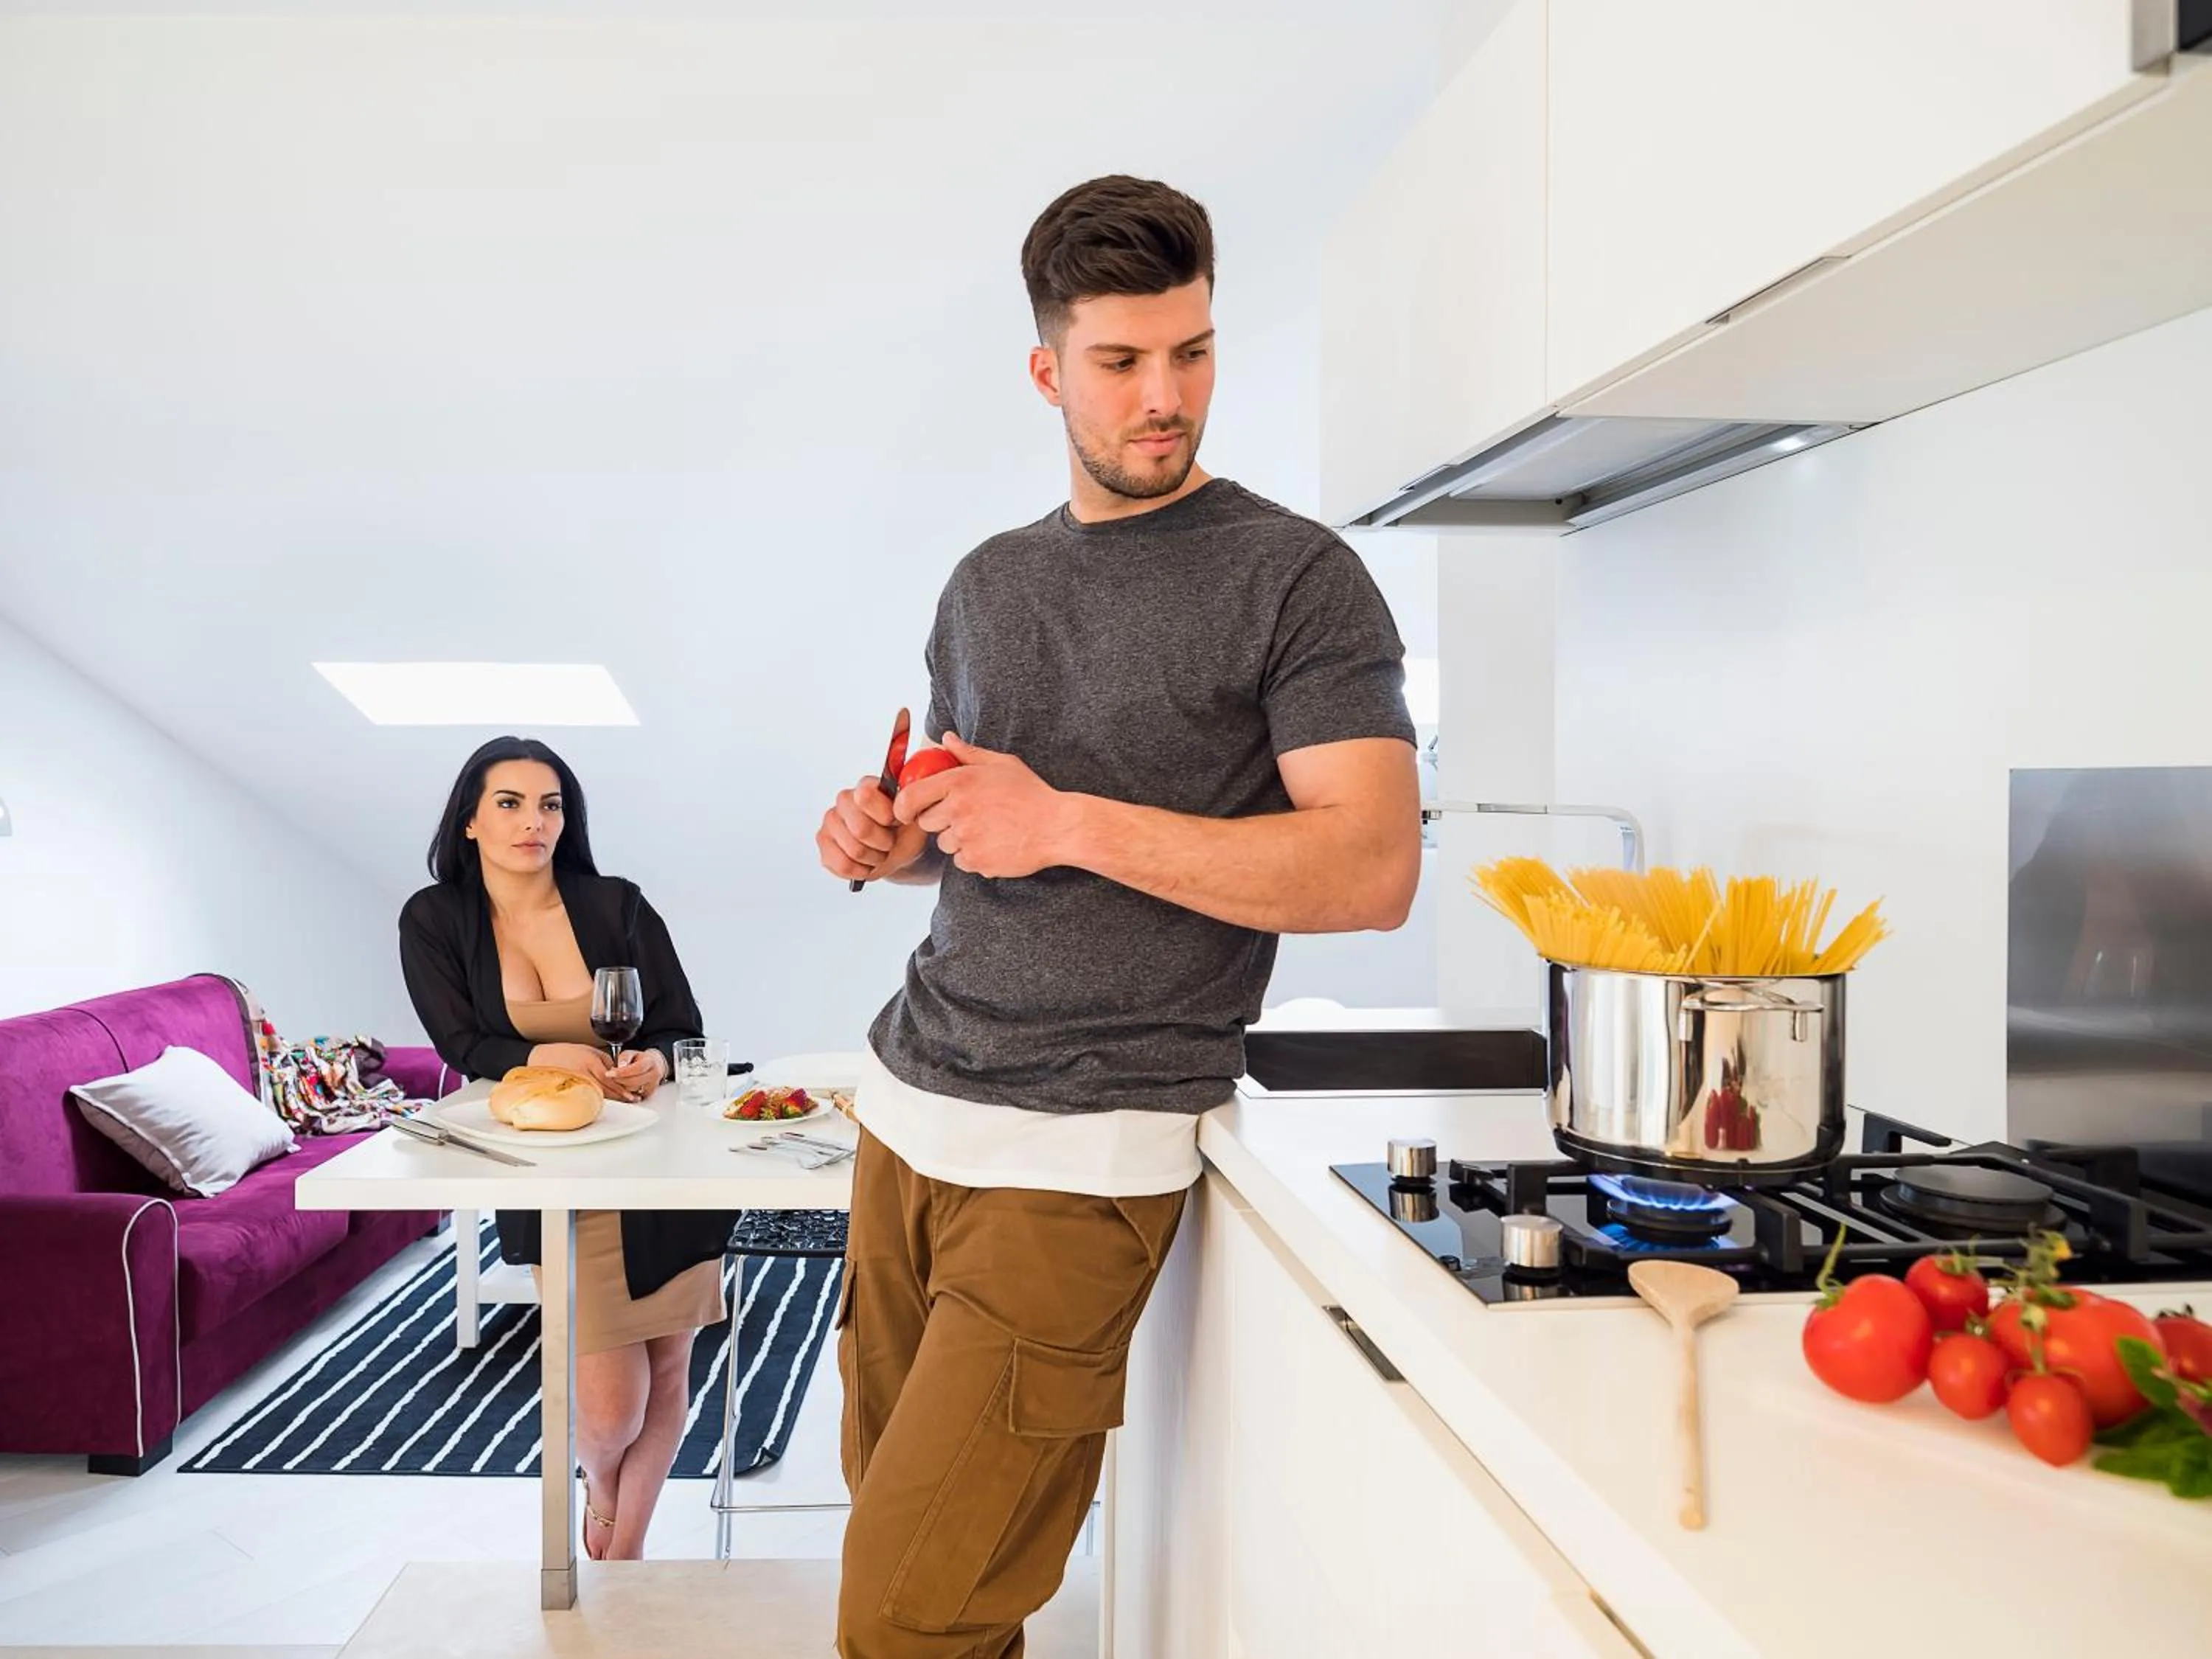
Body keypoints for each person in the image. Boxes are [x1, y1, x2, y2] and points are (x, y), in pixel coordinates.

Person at [815, 175, 1422, 1658]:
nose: (1168, 398)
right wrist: (888, 841)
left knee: (905, 1620)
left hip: (1082, 1153)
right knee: (935, 1581)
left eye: (1193, 353)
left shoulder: (1298, 579)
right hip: (904, 1119)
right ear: (1047, 371)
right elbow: (975, 842)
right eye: (1123, 363)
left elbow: (1371, 869)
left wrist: (1065, 819)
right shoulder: (988, 583)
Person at [398, 735, 734, 1562]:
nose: (532, 822)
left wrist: (653, 1060)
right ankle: (598, 1483)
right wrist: (542, 1058)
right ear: (470, 821)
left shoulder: (616, 904)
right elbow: (457, 1040)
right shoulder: (435, 917)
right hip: (554, 1167)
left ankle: (623, 1556)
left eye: (550, 805)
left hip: (661, 1157)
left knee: (669, 1368)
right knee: (611, 1406)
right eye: (508, 803)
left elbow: (679, 1026)